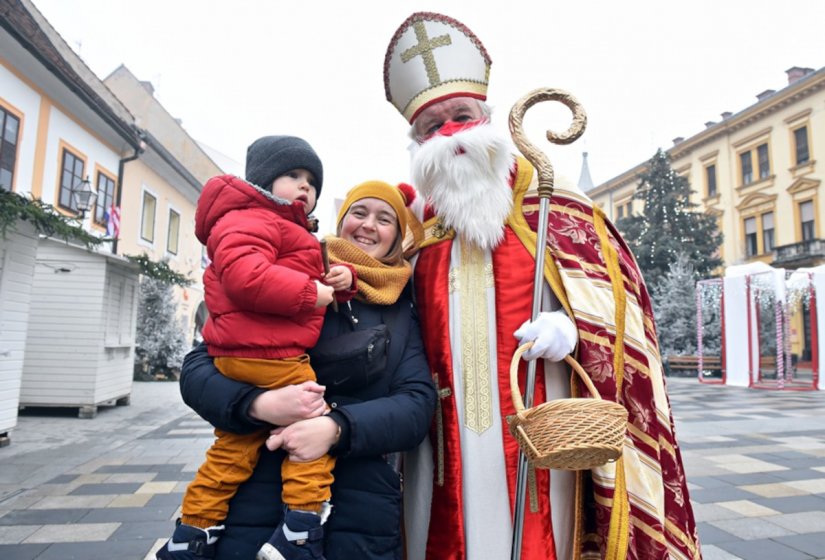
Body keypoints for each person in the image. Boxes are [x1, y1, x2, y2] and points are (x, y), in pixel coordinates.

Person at [384, 12, 701, 560]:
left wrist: (569, 327)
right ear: (416, 143)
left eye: (462, 116)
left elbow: (615, 306)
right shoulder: (414, 228)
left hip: (544, 409)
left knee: (546, 529)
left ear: (488, 120)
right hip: (438, 430)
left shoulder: (555, 205)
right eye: (432, 128)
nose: (451, 134)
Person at [175, 180, 436, 559]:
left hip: (362, 510)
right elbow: (198, 369)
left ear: (397, 237)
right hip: (259, 497)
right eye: (358, 213)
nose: (367, 225)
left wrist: (336, 428)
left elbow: (416, 405)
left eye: (384, 219)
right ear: (340, 220)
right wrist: (256, 404)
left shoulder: (401, 307)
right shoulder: (289, 272)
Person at [157, 135, 357, 560]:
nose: (306, 187)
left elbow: (291, 273)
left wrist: (338, 283)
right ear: (264, 181)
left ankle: (192, 533)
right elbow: (248, 278)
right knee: (312, 428)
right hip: (270, 354)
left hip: (247, 351)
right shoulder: (251, 219)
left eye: (312, 181)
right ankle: (301, 528)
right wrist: (312, 292)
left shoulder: (278, 226)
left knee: (231, 450)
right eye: (293, 175)